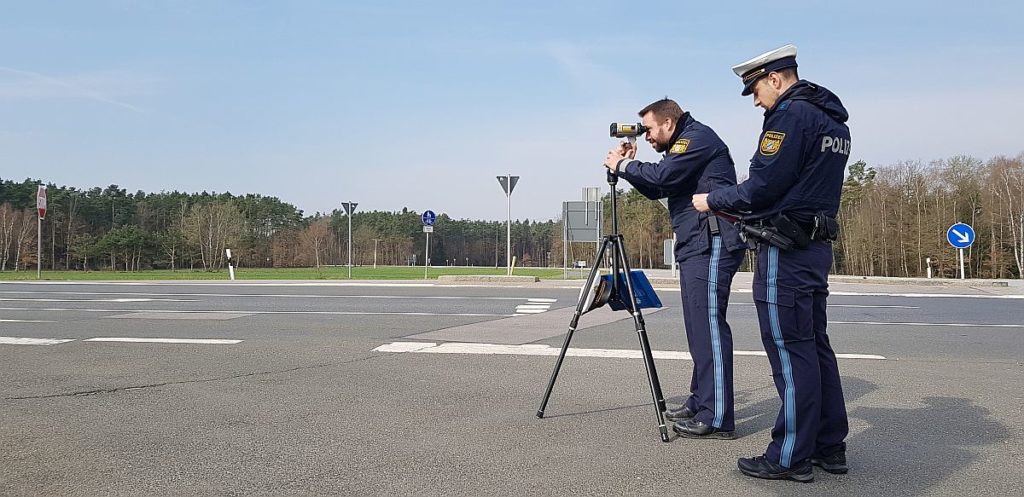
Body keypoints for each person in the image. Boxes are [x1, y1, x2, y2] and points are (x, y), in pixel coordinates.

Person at [692, 44, 851, 482]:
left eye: (757, 90)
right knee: (815, 347)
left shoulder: (790, 116)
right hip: (816, 246)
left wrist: (712, 199)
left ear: (775, 78)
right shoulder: (833, 120)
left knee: (789, 351)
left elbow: (762, 187)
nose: (758, 101)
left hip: (786, 247)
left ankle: (789, 456)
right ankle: (828, 445)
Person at [604, 98, 746, 440]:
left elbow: (664, 176)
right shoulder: (682, 146)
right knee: (698, 329)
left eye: (649, 129)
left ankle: (717, 416)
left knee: (709, 328)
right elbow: (658, 188)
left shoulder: (696, 139)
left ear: (668, 123)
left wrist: (622, 167)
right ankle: (702, 401)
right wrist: (630, 167)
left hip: (711, 244)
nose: (647, 136)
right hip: (696, 245)